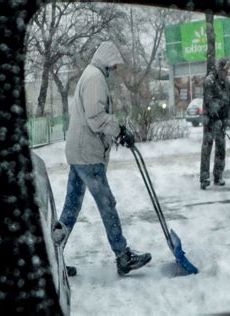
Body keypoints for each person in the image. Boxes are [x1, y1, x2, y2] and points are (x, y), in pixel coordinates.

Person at [52, 41, 151, 276]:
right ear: (106, 61)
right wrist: (119, 131)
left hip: (79, 152)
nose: (115, 71)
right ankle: (122, 255)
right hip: (87, 155)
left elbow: (93, 117)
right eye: (114, 66)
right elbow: (96, 117)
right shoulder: (95, 77)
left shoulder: (90, 74)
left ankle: (52, 258)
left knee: (71, 208)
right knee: (107, 204)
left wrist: (116, 133)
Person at [199, 58, 230, 190]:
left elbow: (229, 102)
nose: (226, 73)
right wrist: (216, 117)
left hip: (221, 121)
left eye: (227, 71)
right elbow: (209, 101)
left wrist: (227, 118)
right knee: (207, 148)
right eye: (224, 70)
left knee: (221, 148)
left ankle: (218, 176)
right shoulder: (209, 81)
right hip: (210, 120)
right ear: (219, 70)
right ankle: (204, 178)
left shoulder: (227, 84)